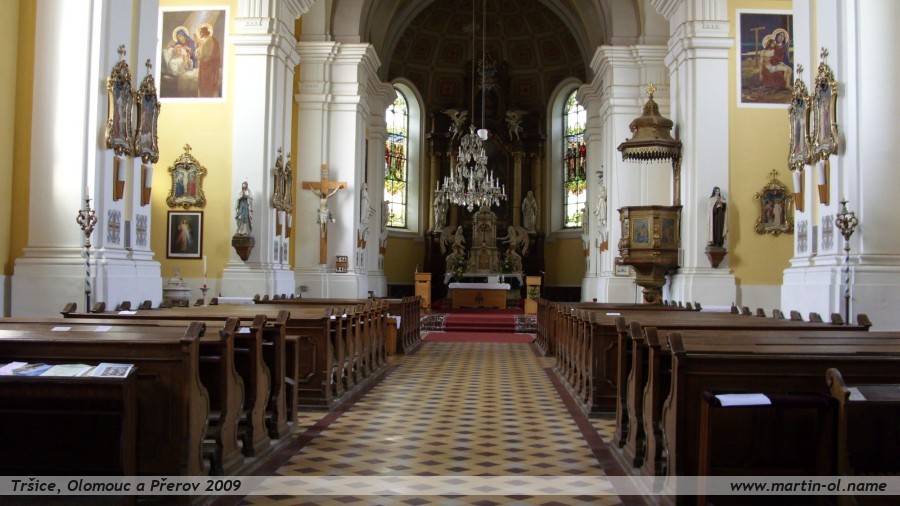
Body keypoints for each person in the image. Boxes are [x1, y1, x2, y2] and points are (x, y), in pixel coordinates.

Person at [195, 24, 221, 98]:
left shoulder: (207, 42)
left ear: (204, 32)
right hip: (209, 65)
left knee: (205, 85)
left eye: (201, 32)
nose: (199, 34)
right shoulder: (210, 40)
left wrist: (197, 48)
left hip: (207, 66)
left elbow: (200, 55)